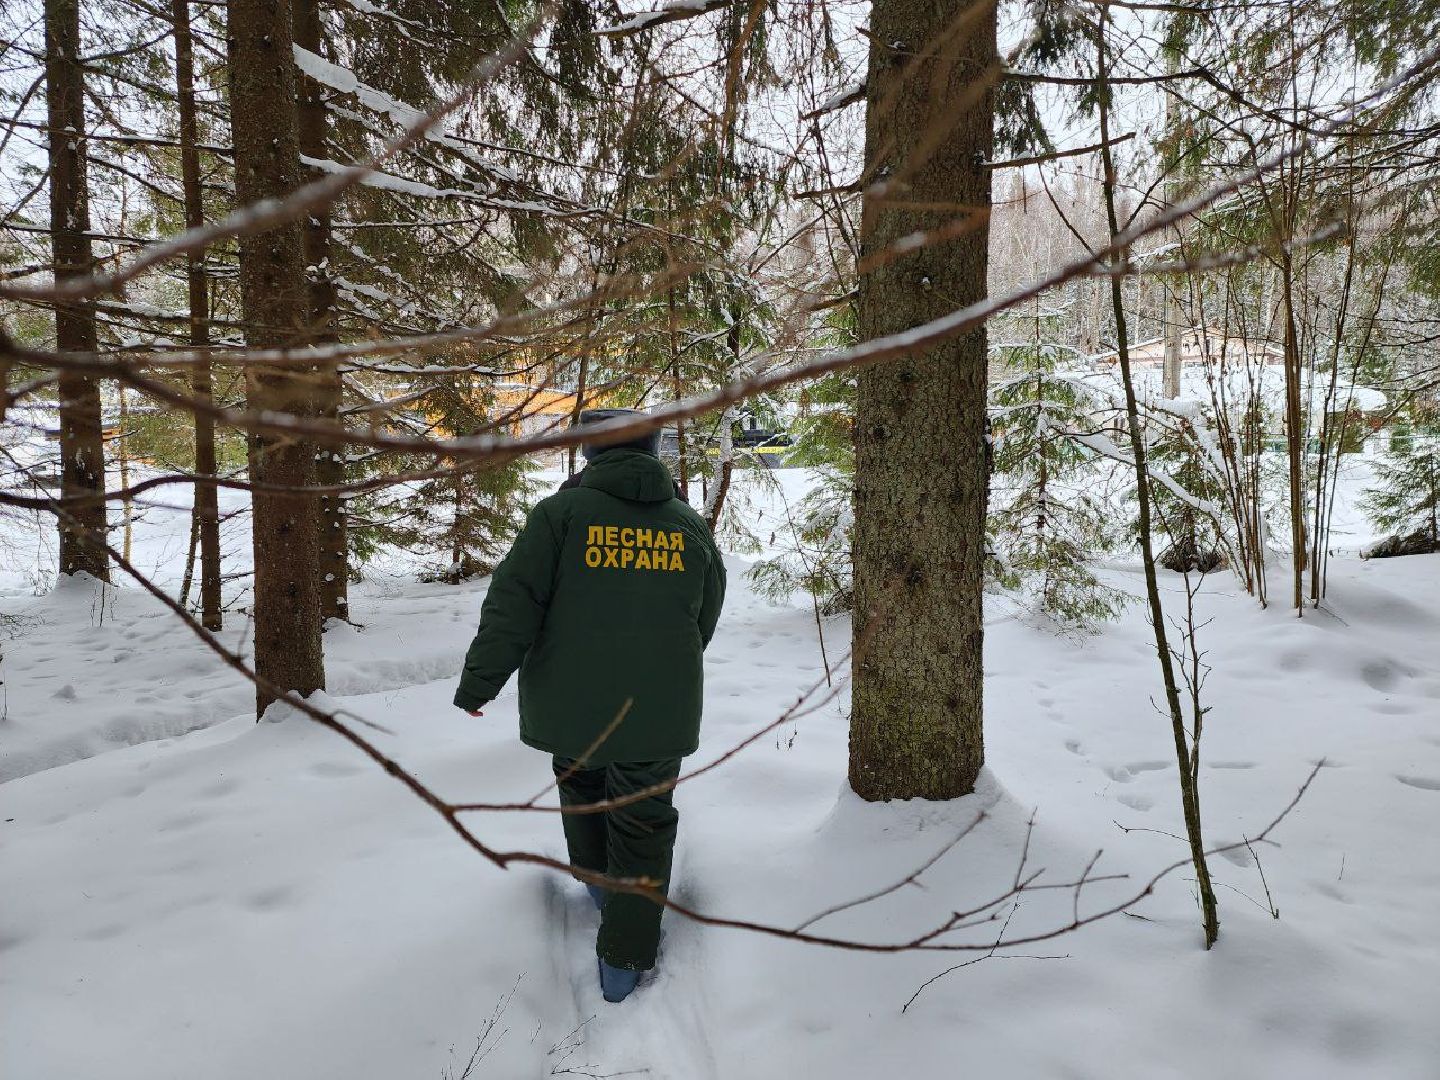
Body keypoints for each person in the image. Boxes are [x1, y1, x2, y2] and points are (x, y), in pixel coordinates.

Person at [453, 408, 726, 1003]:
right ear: (654, 450)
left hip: (571, 707)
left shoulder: (559, 517)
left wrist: (479, 685)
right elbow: (705, 614)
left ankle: (602, 893)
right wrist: (660, 668)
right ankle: (623, 968)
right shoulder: (688, 524)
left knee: (581, 787)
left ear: (589, 454)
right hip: (658, 711)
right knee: (645, 825)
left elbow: (512, 606)